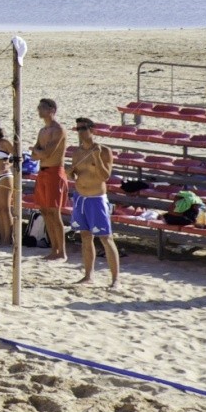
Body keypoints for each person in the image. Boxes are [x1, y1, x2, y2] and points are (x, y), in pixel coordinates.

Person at [71, 118, 119, 289]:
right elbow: (75, 173)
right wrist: (70, 174)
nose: (80, 132)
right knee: (85, 236)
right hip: (80, 197)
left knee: (106, 238)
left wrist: (97, 158)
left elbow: (105, 176)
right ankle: (88, 275)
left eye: (83, 128)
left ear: (92, 130)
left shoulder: (103, 151)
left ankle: (115, 279)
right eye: (78, 129)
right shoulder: (77, 152)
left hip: (96, 198)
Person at [29, 98, 70, 262]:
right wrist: (38, 152)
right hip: (43, 171)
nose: (39, 110)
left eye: (42, 108)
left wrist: (37, 151)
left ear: (52, 110)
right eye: (39, 107)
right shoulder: (43, 130)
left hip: (54, 171)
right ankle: (54, 249)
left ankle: (62, 251)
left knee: (54, 212)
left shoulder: (58, 129)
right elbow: (34, 155)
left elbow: (47, 153)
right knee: (45, 211)